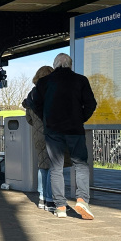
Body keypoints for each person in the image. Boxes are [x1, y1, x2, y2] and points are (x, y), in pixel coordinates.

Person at [31, 53, 97, 219]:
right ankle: (82, 200)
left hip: (53, 131)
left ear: (55, 65)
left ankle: (60, 206)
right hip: (75, 129)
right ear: (70, 65)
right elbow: (91, 103)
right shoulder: (81, 80)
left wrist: (47, 119)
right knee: (80, 164)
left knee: (56, 167)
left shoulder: (44, 82)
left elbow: (35, 103)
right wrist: (80, 118)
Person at [23, 66, 55, 211]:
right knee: (53, 166)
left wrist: (37, 126)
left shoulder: (31, 95)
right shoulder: (50, 92)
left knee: (42, 165)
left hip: (37, 135)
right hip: (51, 133)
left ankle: (42, 198)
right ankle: (49, 199)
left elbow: (28, 119)